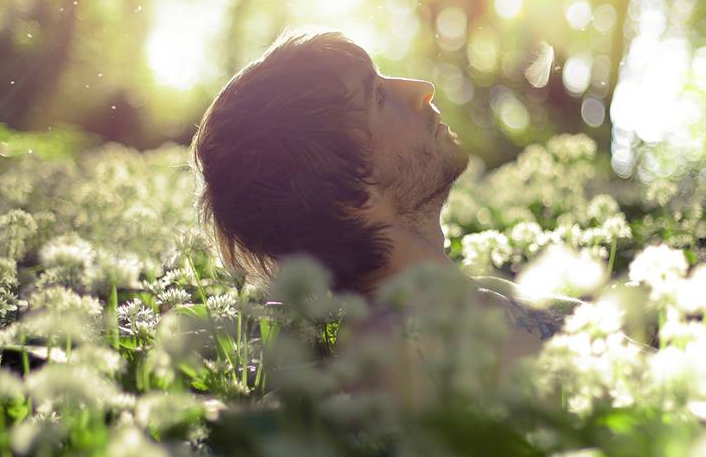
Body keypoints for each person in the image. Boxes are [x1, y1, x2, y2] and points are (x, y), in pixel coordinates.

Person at [189, 28, 574, 366]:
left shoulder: (482, 298)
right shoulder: (402, 362)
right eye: (377, 96)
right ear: (354, 195)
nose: (422, 89)